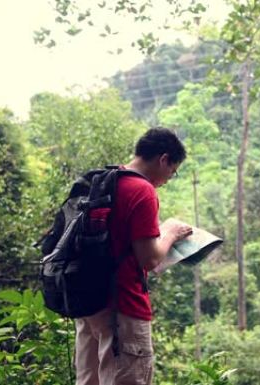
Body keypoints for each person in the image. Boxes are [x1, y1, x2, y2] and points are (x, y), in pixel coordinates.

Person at [74, 127, 193, 385]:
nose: (168, 179)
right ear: (163, 159)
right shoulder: (142, 190)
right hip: (124, 307)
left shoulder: (105, 180)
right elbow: (149, 259)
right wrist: (170, 233)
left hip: (90, 303)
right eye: (172, 172)